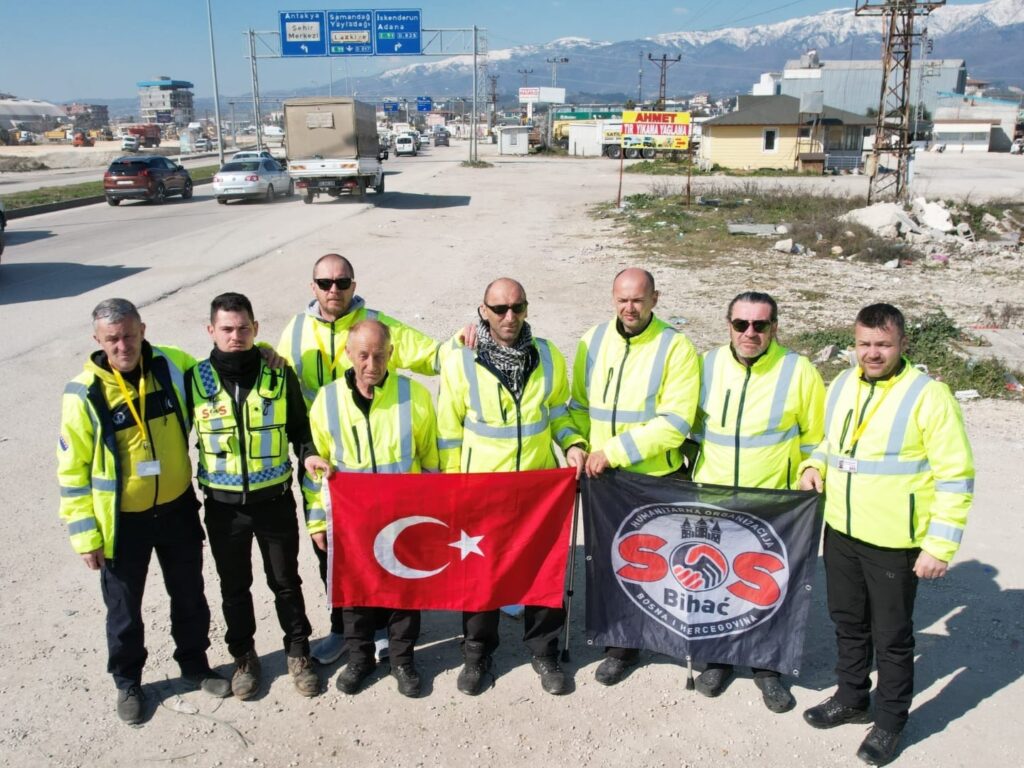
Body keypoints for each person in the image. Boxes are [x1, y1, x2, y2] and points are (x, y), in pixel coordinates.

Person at [798, 303, 974, 766]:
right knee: (848, 624)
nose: (872, 354)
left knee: (892, 638)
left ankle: (891, 722)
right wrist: (814, 465)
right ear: (853, 343)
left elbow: (955, 476)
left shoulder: (929, 395)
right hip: (841, 530)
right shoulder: (840, 384)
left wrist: (938, 545)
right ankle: (852, 698)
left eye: (883, 344)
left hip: (895, 542)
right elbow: (827, 444)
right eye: (864, 344)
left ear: (902, 345)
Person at [277, 253, 457, 665]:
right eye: (325, 283)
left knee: (393, 550)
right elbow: (280, 370)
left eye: (342, 282)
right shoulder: (297, 329)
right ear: (313, 287)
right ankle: (346, 630)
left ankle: (385, 637)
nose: (334, 290)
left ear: (354, 285)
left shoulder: (379, 324)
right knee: (336, 552)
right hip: (325, 449)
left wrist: (468, 341)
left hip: (381, 441)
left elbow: (433, 355)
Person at [57, 299, 230, 725]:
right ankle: (128, 682)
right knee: (123, 609)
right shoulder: (83, 395)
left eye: (129, 335)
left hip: (175, 508)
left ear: (143, 330)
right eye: (112, 339)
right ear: (97, 340)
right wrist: (86, 537)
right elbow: (72, 472)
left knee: (189, 593)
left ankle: (194, 664)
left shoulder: (171, 366)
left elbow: (221, 368)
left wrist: (261, 353)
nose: (122, 346)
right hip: (122, 523)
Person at [437, 278, 587, 696]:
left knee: (543, 571)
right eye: (499, 308)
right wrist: (455, 488)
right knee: (482, 576)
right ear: (482, 310)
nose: (510, 317)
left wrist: (572, 443)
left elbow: (558, 411)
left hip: (538, 488)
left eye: (517, 307)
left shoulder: (549, 355)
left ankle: (543, 651)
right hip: (482, 491)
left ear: (526, 308)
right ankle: (477, 655)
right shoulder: (460, 359)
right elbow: (449, 430)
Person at [688, 291, 825, 712]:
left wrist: (811, 466)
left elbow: (819, 437)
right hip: (714, 499)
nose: (750, 333)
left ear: (774, 328)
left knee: (767, 587)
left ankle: (768, 669)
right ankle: (718, 659)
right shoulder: (706, 365)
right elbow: (689, 428)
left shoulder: (799, 371)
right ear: (727, 325)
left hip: (773, 504)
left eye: (760, 325)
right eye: (741, 324)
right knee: (716, 583)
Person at [568, 268, 700, 686]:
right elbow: (577, 405)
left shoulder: (676, 347)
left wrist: (615, 451)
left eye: (638, 300)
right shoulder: (592, 341)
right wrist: (573, 441)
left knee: (659, 563)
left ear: (655, 299)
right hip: (603, 479)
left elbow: (676, 422)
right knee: (610, 563)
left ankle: (663, 635)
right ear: (612, 298)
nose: (630, 308)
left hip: (652, 476)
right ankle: (620, 646)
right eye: (622, 299)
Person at [187, 293, 319, 700]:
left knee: (286, 582)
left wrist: (310, 453)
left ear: (256, 329)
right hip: (224, 509)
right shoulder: (192, 379)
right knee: (234, 588)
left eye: (244, 328)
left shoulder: (280, 374)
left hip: (274, 502)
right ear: (211, 331)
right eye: (226, 329)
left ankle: (299, 653)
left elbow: (301, 430)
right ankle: (244, 657)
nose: (236, 336)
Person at [303, 320, 439, 698]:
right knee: (355, 594)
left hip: (403, 518)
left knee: (403, 593)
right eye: (362, 354)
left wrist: (431, 512)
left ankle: (402, 660)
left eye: (379, 354)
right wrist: (317, 519)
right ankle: (359, 658)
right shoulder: (327, 401)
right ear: (348, 354)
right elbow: (316, 470)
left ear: (391, 354)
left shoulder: (415, 397)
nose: (371, 363)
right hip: (352, 520)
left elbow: (430, 462)